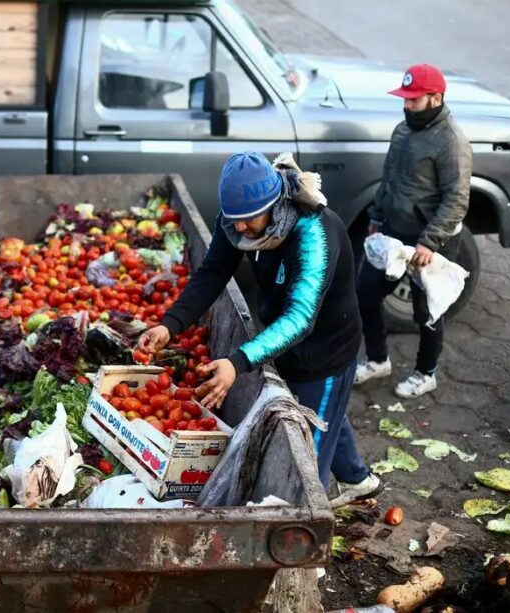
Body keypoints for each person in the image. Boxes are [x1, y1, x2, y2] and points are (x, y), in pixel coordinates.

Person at [138, 151, 380, 506]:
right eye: (233, 221)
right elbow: (213, 272)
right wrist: (170, 325)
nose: (238, 229)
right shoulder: (239, 217)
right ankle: (358, 480)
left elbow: (300, 318)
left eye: (247, 221)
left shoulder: (314, 235)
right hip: (282, 340)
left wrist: (237, 362)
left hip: (323, 352)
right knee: (324, 413)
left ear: (274, 204)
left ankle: (304, 530)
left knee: (304, 462)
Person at [354, 64, 472, 399]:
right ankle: (378, 359)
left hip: (432, 242)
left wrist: (429, 242)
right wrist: (377, 216)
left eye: (414, 100)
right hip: (393, 231)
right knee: (366, 293)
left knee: (427, 311)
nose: (407, 106)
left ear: (435, 98)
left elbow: (457, 199)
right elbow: (389, 178)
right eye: (405, 99)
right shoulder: (403, 131)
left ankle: (426, 372)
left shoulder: (452, 141)